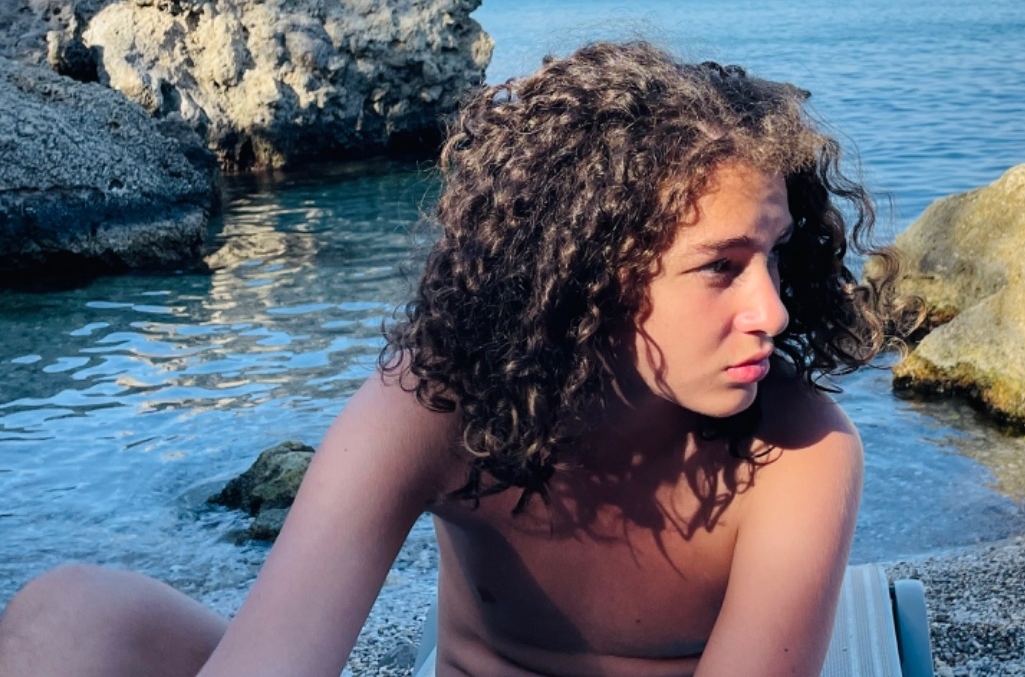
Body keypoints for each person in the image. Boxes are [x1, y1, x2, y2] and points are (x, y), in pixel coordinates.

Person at [0, 40, 915, 677]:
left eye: (772, 257)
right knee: (71, 614)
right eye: (719, 268)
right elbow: (275, 657)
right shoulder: (446, 401)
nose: (770, 309)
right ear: (585, 272)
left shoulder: (797, 451)